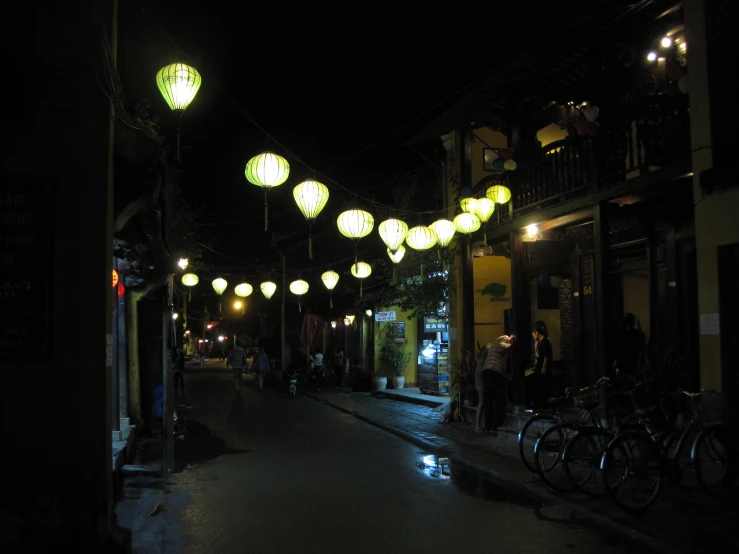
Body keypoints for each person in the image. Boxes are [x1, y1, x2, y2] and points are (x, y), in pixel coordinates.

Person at [479, 335, 516, 435]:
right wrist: (511, 344)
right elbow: (501, 348)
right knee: (500, 400)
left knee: (488, 401)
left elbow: (502, 365)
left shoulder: (503, 346)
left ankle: (488, 427)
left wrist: (507, 376)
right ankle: (494, 427)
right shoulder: (504, 339)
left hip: (488, 372)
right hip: (493, 372)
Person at [527, 321, 552, 410]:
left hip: (542, 368)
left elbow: (546, 356)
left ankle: (541, 406)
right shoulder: (541, 342)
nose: (533, 337)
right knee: (538, 386)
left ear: (536, 333)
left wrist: (544, 368)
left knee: (541, 387)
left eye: (533, 335)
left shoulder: (545, 341)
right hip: (539, 367)